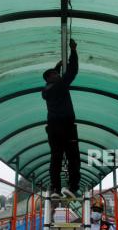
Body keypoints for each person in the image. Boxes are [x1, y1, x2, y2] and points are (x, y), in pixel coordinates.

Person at [42, 38, 80, 198]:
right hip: (67, 127)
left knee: (56, 158)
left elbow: (58, 77)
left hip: (53, 128)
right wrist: (73, 51)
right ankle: (72, 187)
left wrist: (57, 67)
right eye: (56, 74)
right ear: (50, 78)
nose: (59, 75)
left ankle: (56, 189)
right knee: (73, 157)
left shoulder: (46, 90)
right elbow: (72, 72)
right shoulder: (59, 85)